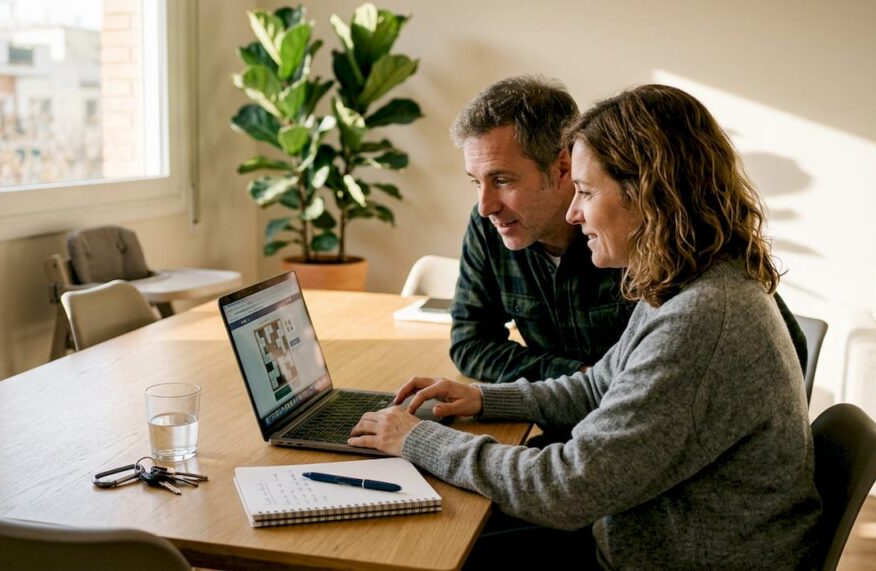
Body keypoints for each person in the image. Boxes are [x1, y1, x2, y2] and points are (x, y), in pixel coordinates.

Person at [351, 85, 822, 568]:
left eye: (586, 192)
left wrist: (417, 439)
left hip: (671, 555)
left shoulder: (702, 317)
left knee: (427, 547)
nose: (575, 212)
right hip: (639, 526)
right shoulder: (686, 281)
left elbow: (566, 488)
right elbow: (601, 385)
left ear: (649, 195)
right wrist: (488, 398)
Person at [448, 76, 807, 385]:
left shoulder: (643, 236)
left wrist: (601, 387)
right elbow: (470, 343)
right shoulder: (489, 225)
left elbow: (785, 347)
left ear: (561, 166)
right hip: (587, 423)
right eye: (475, 182)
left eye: (502, 180)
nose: (485, 206)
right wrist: (585, 378)